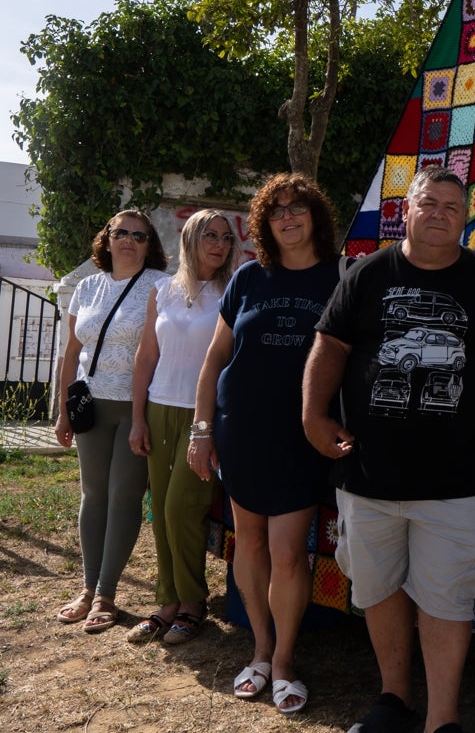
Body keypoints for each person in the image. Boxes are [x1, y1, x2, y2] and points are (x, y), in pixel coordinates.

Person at [302, 166, 475, 733]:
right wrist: (313, 415)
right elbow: (330, 346)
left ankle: (442, 719)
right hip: (366, 472)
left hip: (454, 481)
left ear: (464, 217)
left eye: (452, 204)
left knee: (448, 598)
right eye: (429, 201)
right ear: (407, 209)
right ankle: (393, 699)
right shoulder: (365, 274)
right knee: (377, 588)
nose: (439, 212)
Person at [190, 174, 342, 715]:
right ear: (264, 223)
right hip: (240, 431)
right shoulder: (249, 276)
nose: (287, 217)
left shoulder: (341, 276)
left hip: (300, 435)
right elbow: (214, 361)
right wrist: (202, 430)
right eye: (276, 211)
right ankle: (258, 649)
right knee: (248, 545)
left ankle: (283, 661)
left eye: (298, 207)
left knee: (286, 553)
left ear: (314, 216)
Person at [126, 209, 238, 644]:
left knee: (182, 510)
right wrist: (137, 418)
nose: (219, 244)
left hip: (203, 416)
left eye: (226, 238)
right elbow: (146, 357)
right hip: (158, 408)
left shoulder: (232, 290)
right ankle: (168, 602)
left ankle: (193, 603)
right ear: (189, 239)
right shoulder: (162, 289)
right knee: (160, 515)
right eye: (209, 235)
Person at [54, 210, 169, 633]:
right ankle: (86, 589)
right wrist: (64, 410)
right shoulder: (86, 287)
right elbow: (71, 354)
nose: (128, 240)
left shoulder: (159, 286)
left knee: (123, 495)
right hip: (91, 405)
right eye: (120, 232)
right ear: (107, 238)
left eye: (138, 235)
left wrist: (143, 414)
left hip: (136, 408)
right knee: (92, 494)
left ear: (148, 244)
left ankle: (106, 593)